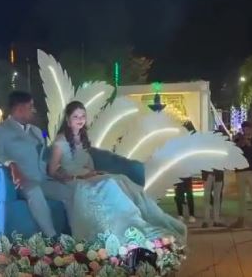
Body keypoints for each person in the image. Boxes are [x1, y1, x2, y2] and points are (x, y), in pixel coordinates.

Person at [48, 100, 187, 244]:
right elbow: (52, 171)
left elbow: (87, 163)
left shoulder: (82, 137)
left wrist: (93, 172)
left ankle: (140, 220)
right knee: (108, 184)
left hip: (88, 175)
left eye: (82, 116)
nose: (80, 120)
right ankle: (126, 227)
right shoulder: (60, 141)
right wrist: (77, 176)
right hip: (74, 179)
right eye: (75, 117)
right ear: (68, 119)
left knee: (121, 179)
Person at [0, 90, 73, 238]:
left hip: (42, 178)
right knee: (34, 191)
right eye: (30, 107)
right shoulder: (0, 130)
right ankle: (53, 238)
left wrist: (58, 169)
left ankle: (73, 235)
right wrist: (12, 165)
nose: (34, 110)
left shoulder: (36, 131)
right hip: (24, 182)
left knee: (69, 192)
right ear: (19, 109)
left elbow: (42, 156)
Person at [230, 121, 252, 230]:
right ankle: (241, 220)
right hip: (241, 171)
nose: (246, 130)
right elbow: (233, 152)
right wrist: (238, 143)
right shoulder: (239, 139)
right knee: (241, 196)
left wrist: (249, 144)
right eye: (244, 128)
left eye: (248, 128)